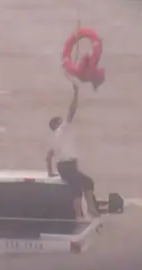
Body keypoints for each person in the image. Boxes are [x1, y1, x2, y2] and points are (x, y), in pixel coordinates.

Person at [45, 82, 100, 221]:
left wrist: (50, 172)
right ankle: (78, 215)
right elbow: (72, 110)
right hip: (68, 165)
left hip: (63, 166)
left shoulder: (54, 138)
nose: (64, 120)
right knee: (77, 189)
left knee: (87, 182)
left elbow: (48, 157)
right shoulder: (63, 129)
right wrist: (76, 93)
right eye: (61, 120)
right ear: (57, 123)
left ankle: (91, 209)